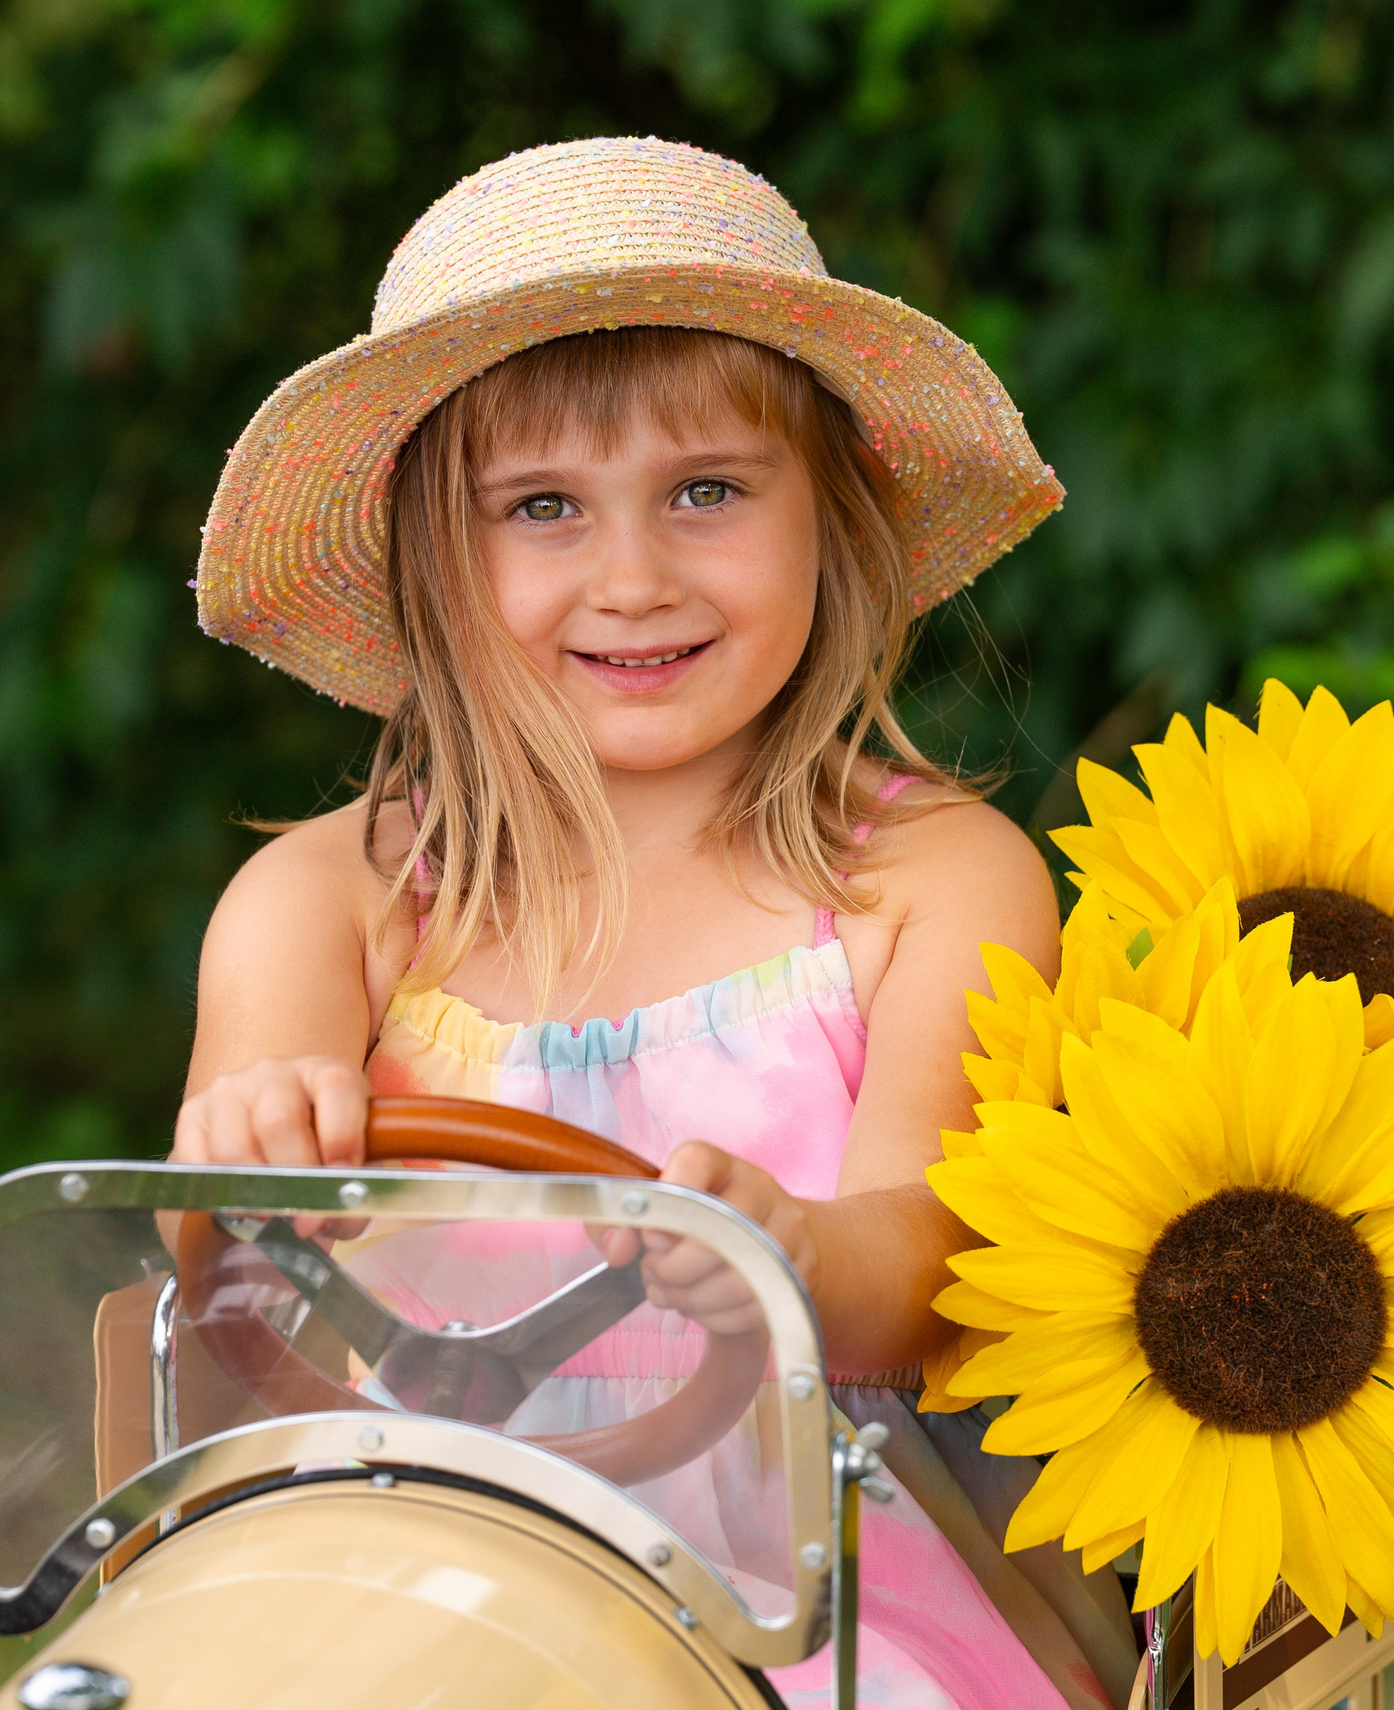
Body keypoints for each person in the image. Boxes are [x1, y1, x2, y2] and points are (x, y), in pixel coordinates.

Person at [170, 136, 1135, 1709]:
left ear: (830, 515)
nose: (633, 576)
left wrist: (797, 1254)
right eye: (543, 506)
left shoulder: (928, 883)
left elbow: (939, 1256)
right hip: (412, 1561)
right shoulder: (331, 904)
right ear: (435, 560)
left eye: (706, 491)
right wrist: (260, 1142)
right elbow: (204, 1239)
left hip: (823, 1577)